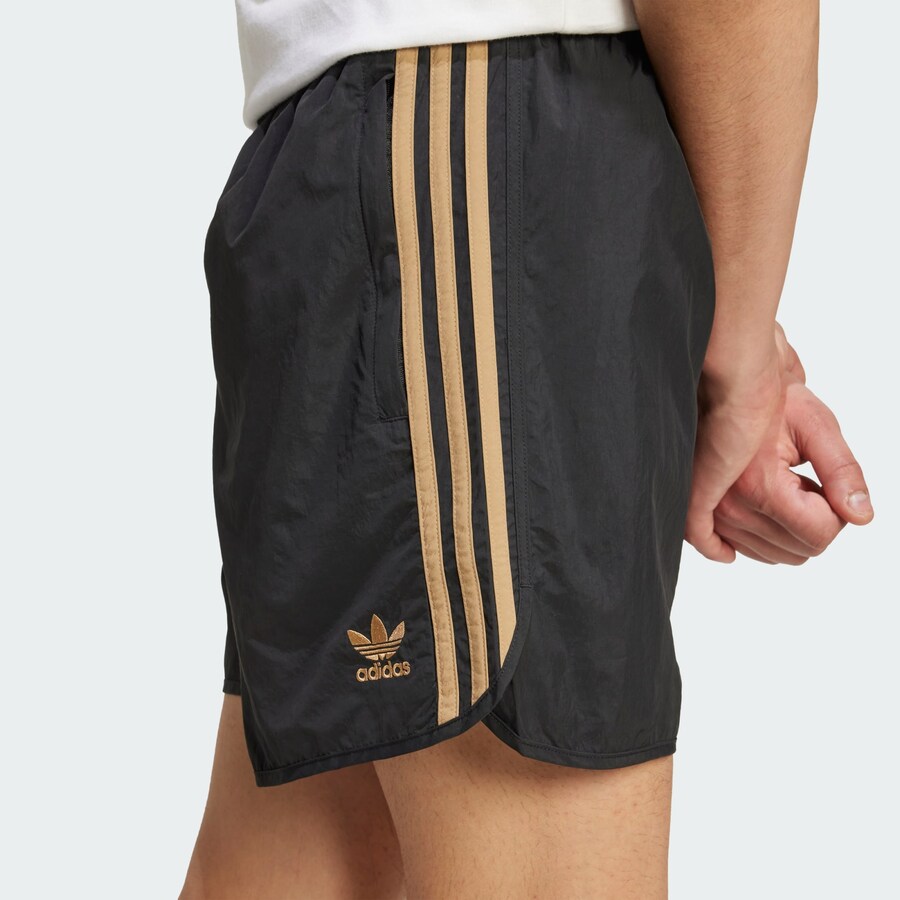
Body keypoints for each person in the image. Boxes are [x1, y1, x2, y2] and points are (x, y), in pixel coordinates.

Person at [181, 1, 874, 897]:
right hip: (475, 176)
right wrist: (737, 356)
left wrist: (728, 336)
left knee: (306, 858)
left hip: (378, 174)